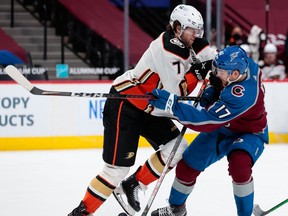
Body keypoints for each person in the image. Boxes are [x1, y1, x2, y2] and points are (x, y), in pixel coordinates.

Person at [68, 4, 217, 216]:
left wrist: (216, 72)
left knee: (178, 147)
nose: (196, 34)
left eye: (198, 30)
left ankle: (135, 184)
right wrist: (198, 74)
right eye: (192, 29)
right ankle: (81, 213)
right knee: (115, 171)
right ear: (177, 28)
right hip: (126, 104)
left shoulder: (192, 42)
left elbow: (212, 59)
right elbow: (177, 92)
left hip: (151, 108)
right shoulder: (166, 49)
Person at [148, 45, 268, 216]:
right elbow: (215, 77)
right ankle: (176, 209)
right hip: (223, 128)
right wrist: (212, 87)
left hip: (249, 133)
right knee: (187, 165)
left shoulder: (243, 95)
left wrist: (172, 105)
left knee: (239, 166)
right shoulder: (242, 66)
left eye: (222, 72)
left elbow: (205, 121)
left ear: (235, 74)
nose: (218, 73)